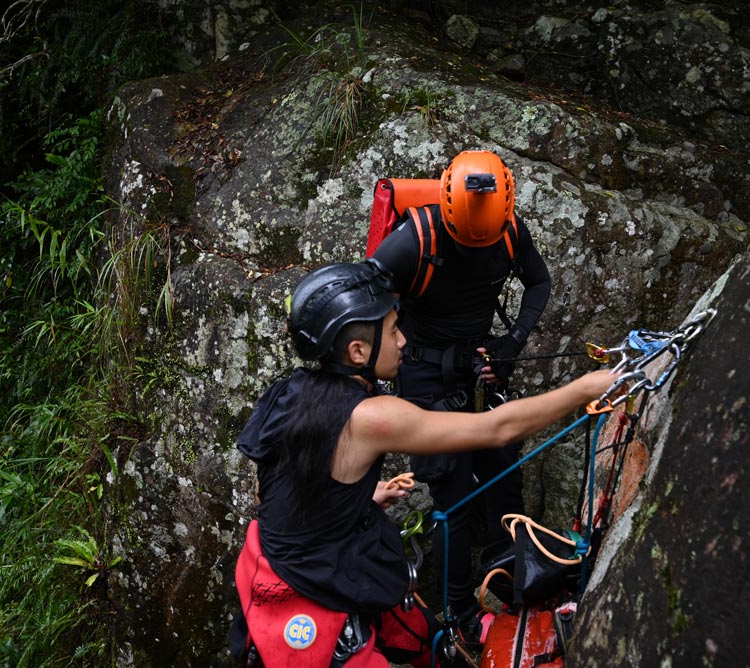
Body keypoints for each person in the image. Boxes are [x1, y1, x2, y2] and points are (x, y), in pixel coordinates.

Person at [230, 259, 622, 667]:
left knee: (420, 634)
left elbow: (270, 488)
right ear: (358, 350)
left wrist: (351, 499)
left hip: (273, 562)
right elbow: (496, 429)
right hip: (312, 590)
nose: (402, 341)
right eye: (393, 331)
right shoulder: (371, 417)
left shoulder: (287, 391)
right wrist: (587, 387)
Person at [370, 149, 552, 642]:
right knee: (450, 493)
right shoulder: (415, 241)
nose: (475, 248)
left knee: (504, 478)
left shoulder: (510, 231)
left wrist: (510, 344)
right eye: (467, 241)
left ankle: (519, 590)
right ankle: (459, 615)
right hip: (425, 374)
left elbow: (539, 282)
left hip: (480, 367)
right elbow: (365, 301)